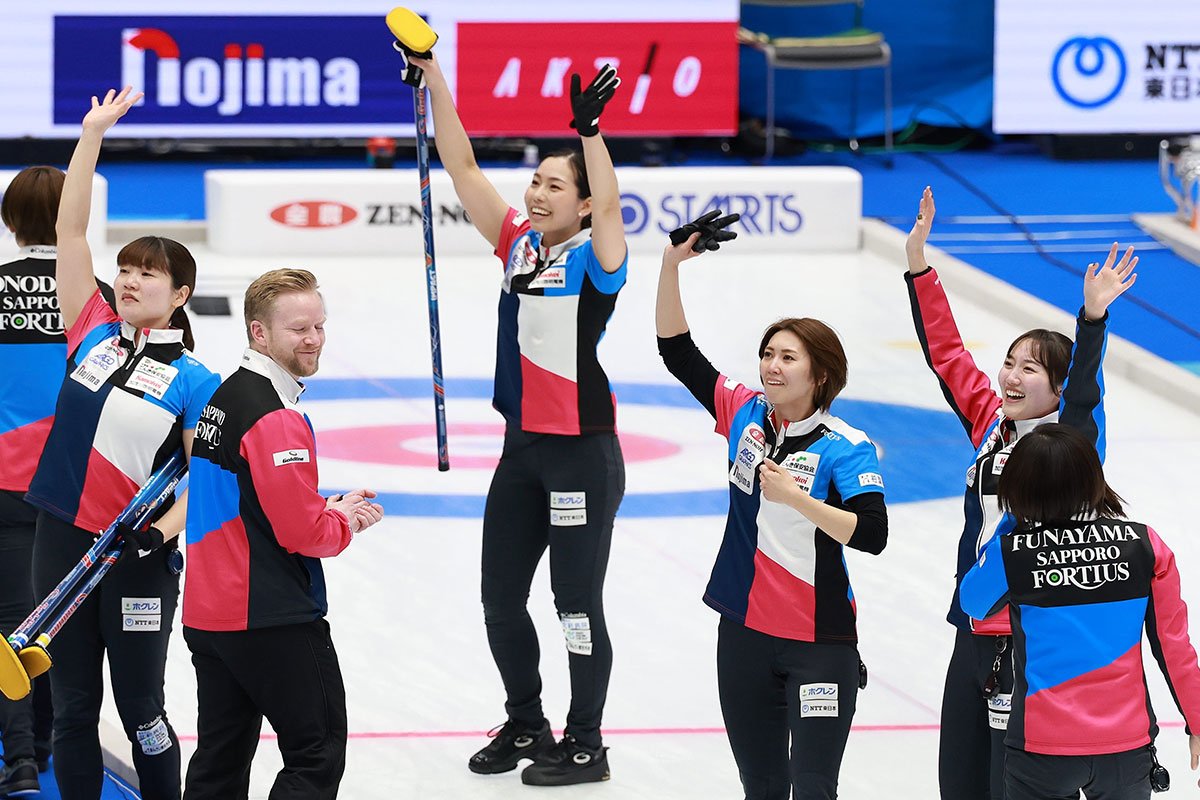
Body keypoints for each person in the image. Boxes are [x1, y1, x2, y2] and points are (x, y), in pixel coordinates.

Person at [406, 51, 628, 786]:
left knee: (574, 603)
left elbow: (614, 208)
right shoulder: (520, 245)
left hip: (580, 455)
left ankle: (586, 741)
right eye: (535, 180)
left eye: (554, 185)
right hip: (521, 450)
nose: (535, 193)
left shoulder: (600, 257)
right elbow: (465, 169)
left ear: (585, 202)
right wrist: (435, 80)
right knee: (500, 600)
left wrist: (590, 134)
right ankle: (528, 721)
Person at [904, 186, 1138, 800]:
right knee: (959, 781)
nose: (1008, 375)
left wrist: (1091, 322)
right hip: (971, 624)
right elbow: (949, 357)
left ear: (1056, 389)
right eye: (1008, 362)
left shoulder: (1073, 442)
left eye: (1028, 368)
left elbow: (1087, 391)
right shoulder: (991, 427)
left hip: (1028, 635)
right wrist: (920, 266)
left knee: (1007, 785)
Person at [25, 87, 220, 800]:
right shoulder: (95, 329)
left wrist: (160, 536)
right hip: (61, 536)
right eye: (128, 268)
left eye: (149, 273)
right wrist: (90, 137)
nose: (131, 279)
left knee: (142, 711)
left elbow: (205, 478)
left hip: (135, 558)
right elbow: (72, 234)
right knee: (74, 709)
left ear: (181, 294)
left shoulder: (199, 381)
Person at [656, 224, 889, 800]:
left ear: (821, 374)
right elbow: (676, 351)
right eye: (767, 354)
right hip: (743, 633)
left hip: (819, 642)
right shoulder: (743, 412)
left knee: (812, 789)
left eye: (788, 357)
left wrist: (799, 500)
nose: (771, 367)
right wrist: (669, 264)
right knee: (761, 789)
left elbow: (873, 535)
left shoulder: (846, 445)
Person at [180, 268, 383, 800]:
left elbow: (249, 502)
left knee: (219, 762)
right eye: (298, 329)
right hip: (268, 616)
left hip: (212, 612)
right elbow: (302, 533)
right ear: (259, 333)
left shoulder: (224, 399)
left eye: (318, 325)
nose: (313, 339)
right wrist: (342, 521)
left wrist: (323, 506)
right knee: (315, 753)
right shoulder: (276, 418)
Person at [960, 422, 1200, 800]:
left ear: (1020, 490)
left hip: (1041, 749)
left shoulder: (1013, 553)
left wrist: (1014, 521)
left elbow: (972, 603)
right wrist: (1197, 724)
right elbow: (1175, 649)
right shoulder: (1145, 545)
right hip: (1126, 749)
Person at [0, 165, 65, 796]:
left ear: (10, 221)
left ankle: (19, 756)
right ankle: (46, 741)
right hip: (75, 482)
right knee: (55, 618)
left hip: (4, 480)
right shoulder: (93, 296)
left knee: (9, 617)